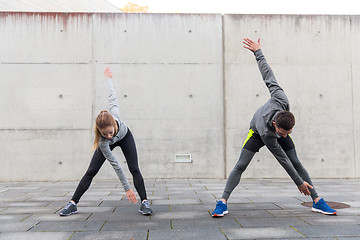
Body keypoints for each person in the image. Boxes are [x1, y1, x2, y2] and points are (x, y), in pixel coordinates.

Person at [211, 38, 336, 217]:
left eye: (289, 133)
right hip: (256, 132)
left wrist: (258, 52)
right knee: (241, 165)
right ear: (276, 124)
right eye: (283, 133)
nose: (285, 136)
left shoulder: (281, 98)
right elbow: (282, 160)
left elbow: (268, 75)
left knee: (297, 162)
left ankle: (317, 201)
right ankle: (222, 202)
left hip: (273, 128)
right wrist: (298, 182)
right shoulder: (267, 132)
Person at [59, 67, 152, 216]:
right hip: (108, 147)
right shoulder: (103, 142)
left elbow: (112, 96)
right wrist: (127, 188)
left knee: (134, 168)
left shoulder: (115, 115)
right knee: (91, 171)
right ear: (99, 131)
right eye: (104, 134)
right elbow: (116, 165)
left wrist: (108, 79)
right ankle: (72, 203)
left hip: (125, 137)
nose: (109, 136)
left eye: (110, 132)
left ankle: (145, 202)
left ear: (114, 125)